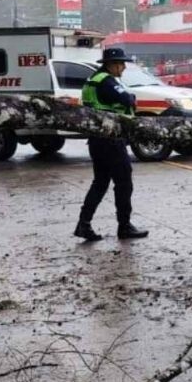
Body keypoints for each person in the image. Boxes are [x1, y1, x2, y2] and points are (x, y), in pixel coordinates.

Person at [73, 48, 149, 242]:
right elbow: (126, 99)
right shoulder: (107, 81)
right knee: (124, 182)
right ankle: (124, 226)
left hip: (96, 139)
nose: (123, 68)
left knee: (100, 183)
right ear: (111, 64)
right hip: (111, 139)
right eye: (121, 64)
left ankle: (84, 224)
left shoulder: (92, 79)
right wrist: (132, 99)